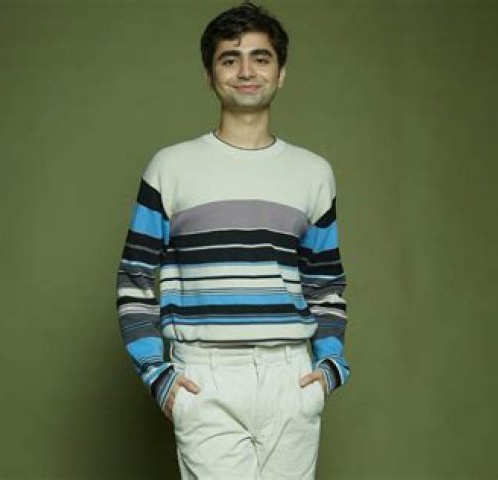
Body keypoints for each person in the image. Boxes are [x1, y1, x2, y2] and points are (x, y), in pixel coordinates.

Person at [115, 2, 351, 478]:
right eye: (230, 59)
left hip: (291, 375)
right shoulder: (170, 167)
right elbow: (134, 282)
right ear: (210, 75)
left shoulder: (313, 173)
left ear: (281, 73)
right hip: (205, 376)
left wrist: (329, 366)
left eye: (261, 58)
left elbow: (326, 285)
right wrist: (158, 375)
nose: (246, 71)